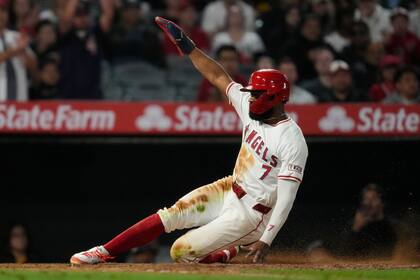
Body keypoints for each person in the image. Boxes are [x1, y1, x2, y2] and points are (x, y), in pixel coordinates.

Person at [71, 16, 308, 265]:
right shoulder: (250, 106)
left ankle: (230, 251)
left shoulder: (291, 139)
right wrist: (189, 47)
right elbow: (218, 76)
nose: (250, 97)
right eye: (251, 93)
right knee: (171, 215)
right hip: (231, 187)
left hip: (253, 214)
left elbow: (286, 197)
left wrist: (267, 239)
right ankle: (104, 251)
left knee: (181, 252)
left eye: (257, 94)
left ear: (275, 97)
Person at [57, 0, 114, 99]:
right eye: (78, 15)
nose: (82, 18)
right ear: (73, 17)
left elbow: (108, 14)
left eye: (85, 14)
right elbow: (66, 18)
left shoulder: (96, 33)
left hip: (93, 95)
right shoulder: (67, 35)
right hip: (68, 95)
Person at [337, 184, 397, 258]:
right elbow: (341, 256)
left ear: (382, 202)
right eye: (366, 199)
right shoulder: (354, 225)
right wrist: (355, 230)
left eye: (373, 198)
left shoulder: (393, 226)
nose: (368, 203)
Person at [107, 0, 165, 67]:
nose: (133, 13)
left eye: (135, 10)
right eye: (129, 10)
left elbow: (158, 61)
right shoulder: (113, 33)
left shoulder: (149, 33)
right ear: (122, 12)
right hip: (120, 72)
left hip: (146, 72)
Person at [0, 0, 36, 101]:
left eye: (3, 10)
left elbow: (35, 69)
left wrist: (24, 52)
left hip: (19, 104)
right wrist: (13, 51)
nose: (0, 15)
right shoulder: (17, 43)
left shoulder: (17, 36)